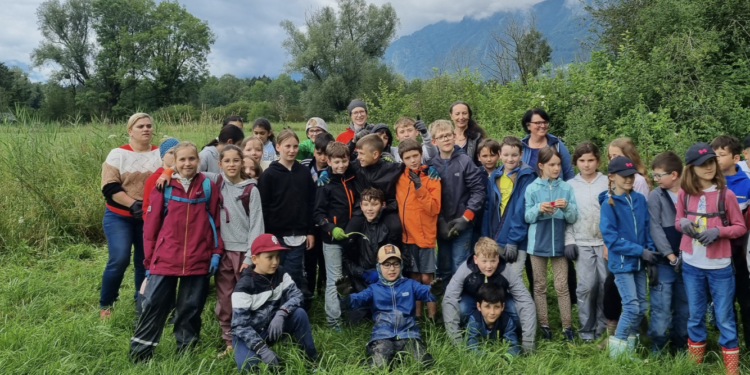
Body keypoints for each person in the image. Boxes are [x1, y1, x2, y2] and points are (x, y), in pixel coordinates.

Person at [130, 141, 223, 362]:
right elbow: (151, 226)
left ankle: (185, 353)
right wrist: (149, 259)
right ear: (175, 161)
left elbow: (215, 222)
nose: (187, 163)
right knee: (153, 304)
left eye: (192, 158)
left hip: (198, 257)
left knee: (190, 309)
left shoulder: (207, 186)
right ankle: (140, 354)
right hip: (165, 257)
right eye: (182, 159)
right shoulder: (164, 186)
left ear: (198, 160)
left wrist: (216, 252)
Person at [677, 143, 744, 374]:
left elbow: (740, 227)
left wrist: (719, 232)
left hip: (720, 267)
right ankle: (694, 366)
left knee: (724, 317)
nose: (708, 167)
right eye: (702, 164)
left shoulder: (727, 195)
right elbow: (678, 220)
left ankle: (731, 370)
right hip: (691, 265)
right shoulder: (684, 194)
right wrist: (682, 224)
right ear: (691, 168)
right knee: (695, 316)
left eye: (711, 162)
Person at [335, 244, 444, 369]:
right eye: (387, 265)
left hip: (408, 335)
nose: (392, 269)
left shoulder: (410, 284)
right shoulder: (373, 288)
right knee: (378, 365)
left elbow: (428, 294)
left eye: (396, 264)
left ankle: (401, 361)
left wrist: (435, 291)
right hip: (382, 335)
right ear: (378, 267)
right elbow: (353, 302)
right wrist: (344, 296)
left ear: (401, 265)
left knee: (423, 364)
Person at [99, 113, 162, 319]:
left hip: (149, 218)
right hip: (119, 215)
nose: (146, 129)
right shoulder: (117, 154)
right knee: (119, 258)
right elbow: (109, 186)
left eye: (149, 126)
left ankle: (142, 302)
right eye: (140, 126)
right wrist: (133, 204)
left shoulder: (160, 153)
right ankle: (106, 303)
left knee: (144, 261)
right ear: (130, 131)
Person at [599, 156, 658, 359]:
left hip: (640, 262)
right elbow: (612, 240)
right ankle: (617, 354)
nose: (629, 180)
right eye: (623, 176)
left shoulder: (640, 199)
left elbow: (646, 228)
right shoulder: (609, 203)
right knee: (631, 307)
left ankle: (629, 351)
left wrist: (649, 253)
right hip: (622, 264)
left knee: (642, 307)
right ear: (612, 177)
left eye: (631, 175)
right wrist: (641, 251)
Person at [231, 234, 317, 371]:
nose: (275, 262)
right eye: (269, 257)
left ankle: (311, 361)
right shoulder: (244, 286)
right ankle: (262, 354)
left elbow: (297, 295)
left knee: (300, 314)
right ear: (255, 259)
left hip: (273, 326)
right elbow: (239, 326)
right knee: (248, 365)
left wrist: (282, 313)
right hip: (250, 333)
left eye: (277, 256)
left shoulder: (280, 273)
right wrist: (262, 349)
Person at [210, 145, 265, 355]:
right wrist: (167, 172)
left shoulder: (251, 190)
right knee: (225, 297)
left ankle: (253, 338)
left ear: (242, 162)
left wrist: (251, 256)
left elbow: (257, 225)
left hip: (244, 253)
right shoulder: (216, 183)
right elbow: (186, 167)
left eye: (236, 160)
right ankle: (230, 341)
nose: (231, 165)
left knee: (248, 297)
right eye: (227, 161)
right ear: (220, 164)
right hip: (223, 251)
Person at [443, 237, 537, 353]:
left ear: (498, 258)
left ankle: (510, 332)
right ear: (475, 259)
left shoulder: (506, 271)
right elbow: (449, 299)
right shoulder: (465, 270)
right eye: (484, 261)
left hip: (498, 300)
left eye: (493, 261)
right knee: (461, 309)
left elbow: (525, 300)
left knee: (515, 310)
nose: (489, 266)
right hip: (472, 301)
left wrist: (529, 341)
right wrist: (456, 341)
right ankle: (468, 331)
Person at [524, 146, 578, 342]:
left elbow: (573, 217)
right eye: (551, 165)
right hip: (537, 244)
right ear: (541, 166)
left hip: (559, 244)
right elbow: (527, 217)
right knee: (539, 286)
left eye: (558, 165)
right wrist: (539, 208)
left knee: (562, 286)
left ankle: (567, 327)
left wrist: (567, 207)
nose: (556, 168)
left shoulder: (566, 188)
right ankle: (544, 325)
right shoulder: (532, 188)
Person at [258, 129, 315, 296]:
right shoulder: (269, 174)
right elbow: (264, 206)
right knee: (274, 272)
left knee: (293, 273)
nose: (292, 150)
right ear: (278, 147)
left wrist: (310, 231)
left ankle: (295, 308)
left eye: (295, 146)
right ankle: (275, 308)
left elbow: (311, 203)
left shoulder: (304, 172)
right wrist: (267, 235)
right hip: (276, 235)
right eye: (287, 146)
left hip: (298, 235)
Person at [427, 120, 486, 283]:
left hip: (462, 223)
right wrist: (439, 221)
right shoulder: (431, 165)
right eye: (441, 136)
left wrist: (466, 218)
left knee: (459, 266)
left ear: (454, 136)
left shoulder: (465, 161)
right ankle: (448, 305)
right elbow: (428, 197)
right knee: (443, 267)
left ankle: (462, 306)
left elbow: (478, 192)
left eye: (448, 135)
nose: (445, 139)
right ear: (434, 141)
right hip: (441, 224)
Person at [564, 141, 609, 342]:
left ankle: (602, 327)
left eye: (591, 160)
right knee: (586, 286)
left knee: (603, 284)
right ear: (576, 162)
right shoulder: (569, 185)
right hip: (581, 243)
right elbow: (566, 215)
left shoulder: (607, 182)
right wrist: (569, 240)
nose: (587, 164)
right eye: (582, 160)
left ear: (598, 161)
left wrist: (611, 241)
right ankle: (585, 330)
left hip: (604, 244)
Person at [711, 135, 750, 349]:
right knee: (723, 301)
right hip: (717, 251)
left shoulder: (746, 184)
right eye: (714, 154)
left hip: (740, 252)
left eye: (721, 155)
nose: (716, 159)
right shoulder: (709, 182)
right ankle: (729, 345)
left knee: (745, 299)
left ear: (736, 158)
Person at [647, 151, 689, 352]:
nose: (655, 179)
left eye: (658, 175)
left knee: (685, 309)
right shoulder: (656, 195)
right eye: (653, 175)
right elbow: (655, 227)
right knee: (661, 309)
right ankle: (658, 351)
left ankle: (681, 349)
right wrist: (671, 256)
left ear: (674, 174)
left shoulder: (690, 192)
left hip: (689, 263)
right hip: (665, 263)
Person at [313, 141, 358, 330]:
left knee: (348, 278)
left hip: (352, 237)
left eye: (344, 161)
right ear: (329, 161)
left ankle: (348, 312)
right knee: (334, 279)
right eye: (336, 162)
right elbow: (317, 213)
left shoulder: (352, 177)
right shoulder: (325, 183)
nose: (341, 165)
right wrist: (331, 228)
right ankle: (333, 322)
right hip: (332, 239)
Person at [396, 138, 442, 320]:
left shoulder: (431, 177)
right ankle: (416, 315)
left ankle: (432, 315)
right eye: (408, 157)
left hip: (425, 236)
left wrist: (419, 187)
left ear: (421, 155)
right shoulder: (399, 176)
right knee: (413, 277)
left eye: (416, 156)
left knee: (427, 278)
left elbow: (433, 208)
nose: (413, 160)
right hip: (407, 236)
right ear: (402, 159)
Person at [482, 136, 536, 278]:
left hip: (517, 239)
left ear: (521, 155)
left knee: (513, 280)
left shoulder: (527, 176)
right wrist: (486, 238)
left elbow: (521, 210)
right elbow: (488, 209)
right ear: (500, 154)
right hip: (496, 237)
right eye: (506, 155)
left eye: (514, 155)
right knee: (496, 279)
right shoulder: (495, 176)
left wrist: (513, 240)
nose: (510, 159)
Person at [343, 188, 403, 298]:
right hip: (360, 279)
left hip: (385, 279)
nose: (369, 209)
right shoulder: (356, 229)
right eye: (365, 205)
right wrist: (361, 273)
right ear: (361, 206)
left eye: (374, 204)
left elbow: (399, 257)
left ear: (383, 205)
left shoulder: (389, 228)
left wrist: (381, 272)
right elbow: (345, 258)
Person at [302, 133, 336, 300]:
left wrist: (329, 172)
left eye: (326, 154)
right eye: (319, 153)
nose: (323, 158)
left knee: (325, 260)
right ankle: (308, 292)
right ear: (314, 151)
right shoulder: (305, 165)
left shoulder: (335, 169)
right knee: (309, 258)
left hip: (327, 220)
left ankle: (324, 290)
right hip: (308, 219)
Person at [465, 283, 520, 356]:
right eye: (487, 306)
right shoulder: (474, 320)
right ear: (479, 306)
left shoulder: (507, 321)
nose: (492, 312)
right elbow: (471, 345)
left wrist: (506, 358)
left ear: (502, 306)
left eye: (497, 307)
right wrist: (488, 356)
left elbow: (514, 345)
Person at [519, 108, 574, 181]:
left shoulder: (556, 145)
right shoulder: (521, 146)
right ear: (528, 126)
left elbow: (569, 174)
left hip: (554, 191)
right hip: (526, 192)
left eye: (545, 122)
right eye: (538, 123)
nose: (542, 126)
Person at [142, 138, 179, 222]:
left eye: (178, 153)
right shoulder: (155, 178)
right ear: (162, 157)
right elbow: (147, 207)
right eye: (171, 152)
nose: (175, 156)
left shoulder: (183, 175)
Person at [449, 101, 486, 165]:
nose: (461, 117)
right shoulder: (447, 137)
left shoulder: (477, 137)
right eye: (457, 114)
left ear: (469, 115)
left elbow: (484, 161)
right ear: (451, 115)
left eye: (464, 113)